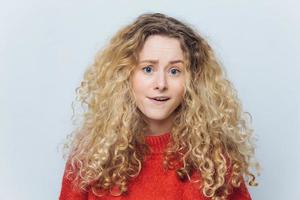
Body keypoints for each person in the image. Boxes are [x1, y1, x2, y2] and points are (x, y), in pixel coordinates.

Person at [59, 12, 260, 200]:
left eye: (174, 71)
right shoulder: (90, 159)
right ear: (126, 75)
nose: (161, 84)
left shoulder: (216, 160)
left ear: (193, 80)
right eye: (148, 69)